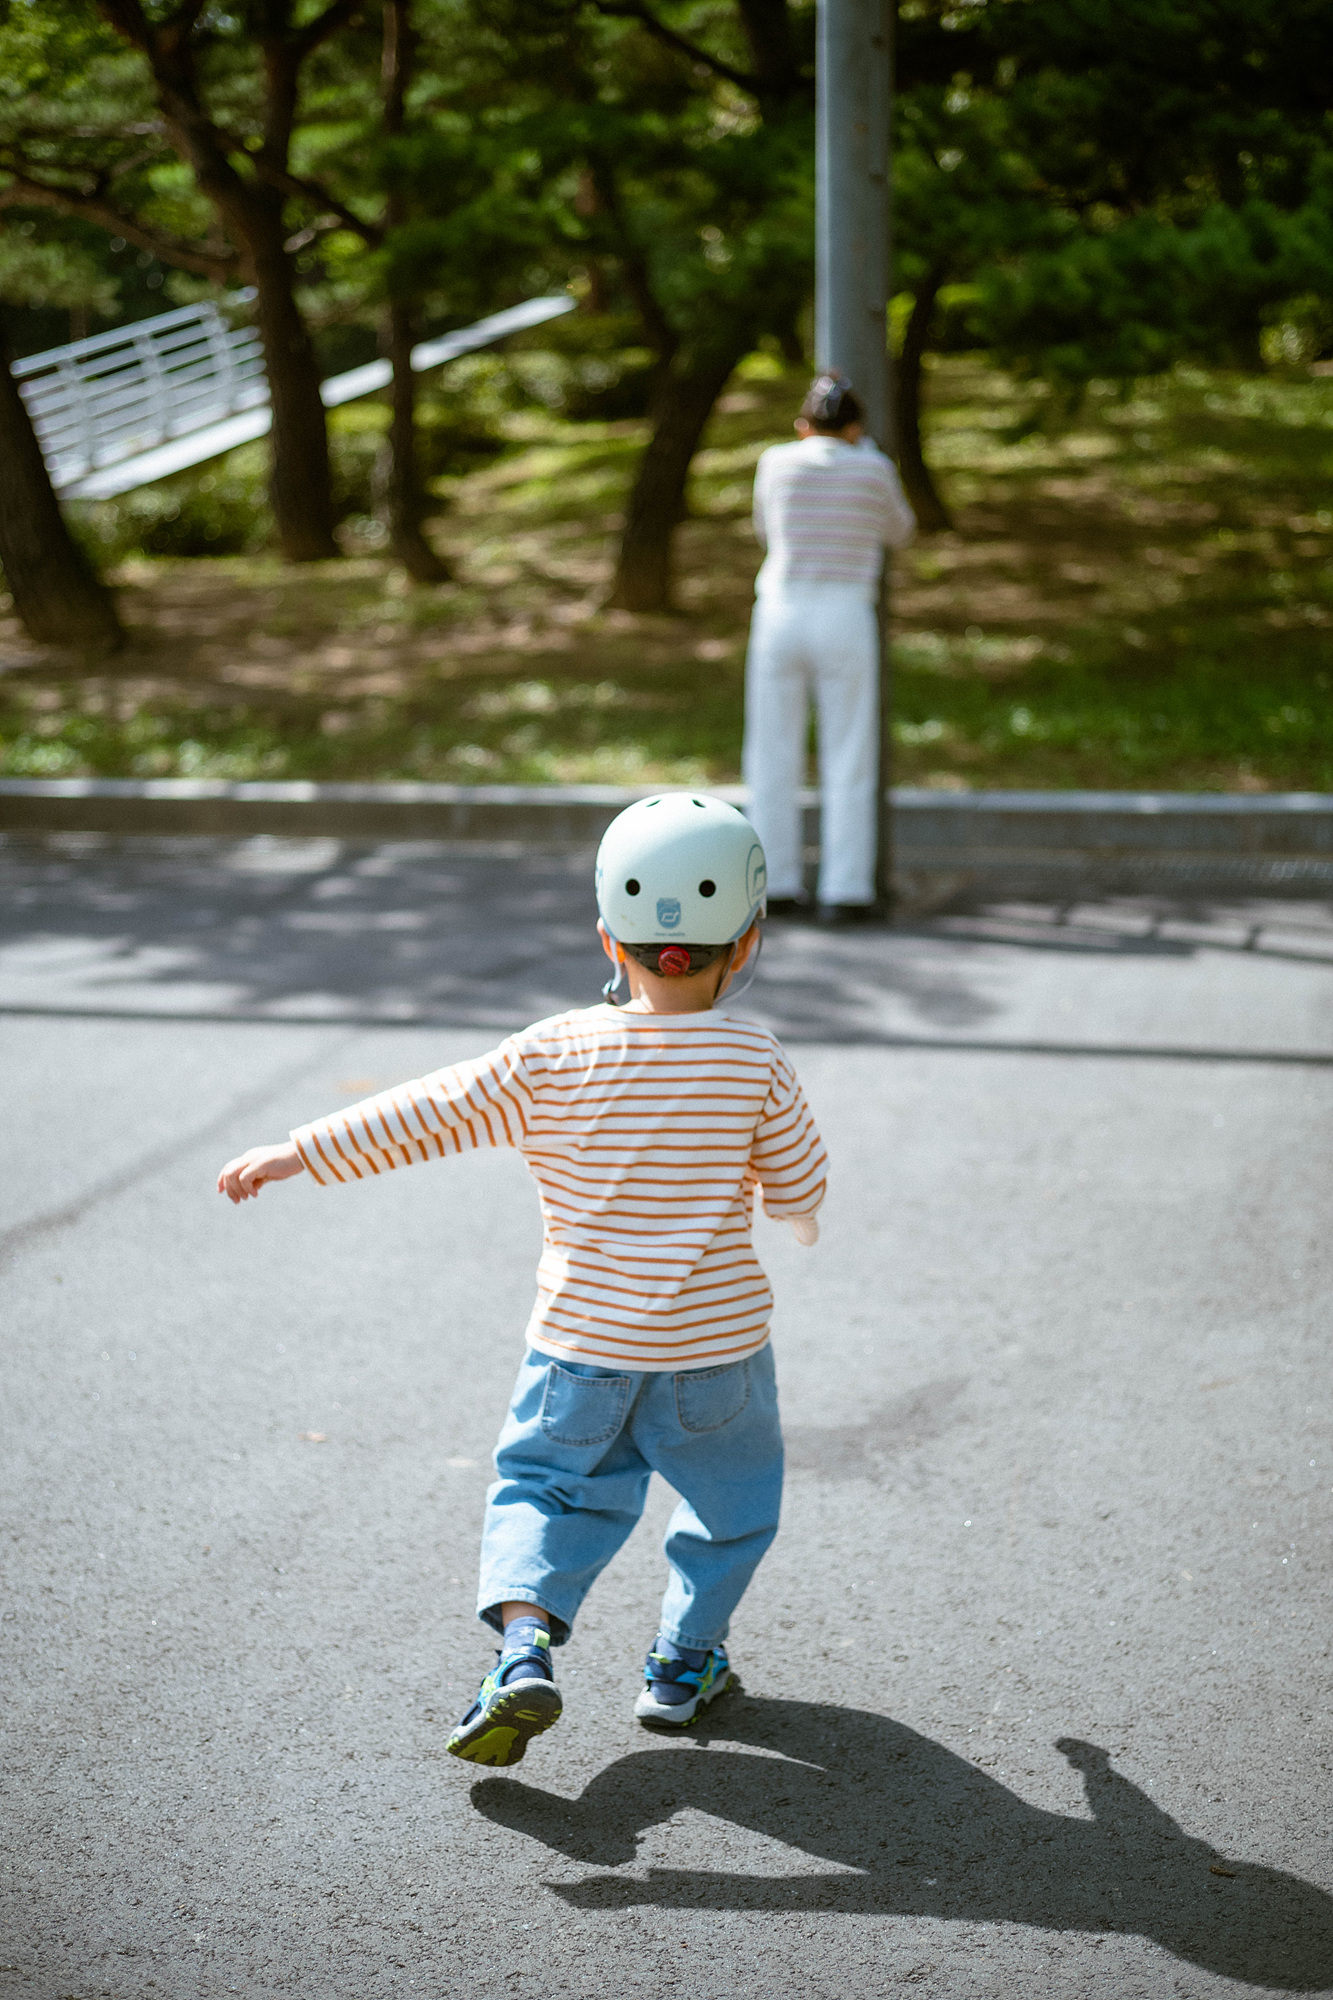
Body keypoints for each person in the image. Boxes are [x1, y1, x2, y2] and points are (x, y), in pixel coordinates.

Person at [216, 793, 827, 1768]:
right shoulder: (754, 1058)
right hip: (715, 1353)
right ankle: (682, 1664)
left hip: (580, 1347)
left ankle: (524, 1649)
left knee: (545, 1492)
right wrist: (789, 1209)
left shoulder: (553, 1053)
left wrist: (300, 1150)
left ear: (607, 936)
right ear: (747, 941)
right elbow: (797, 1183)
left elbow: (429, 1110)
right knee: (731, 1506)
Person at [743, 372, 916, 925]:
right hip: (845, 612)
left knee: (771, 750)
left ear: (803, 426)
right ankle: (847, 888)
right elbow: (902, 530)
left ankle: (775, 882)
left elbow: (765, 529)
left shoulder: (775, 462)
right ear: (855, 428)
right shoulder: (873, 468)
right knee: (849, 750)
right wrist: (866, 455)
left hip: (781, 609)